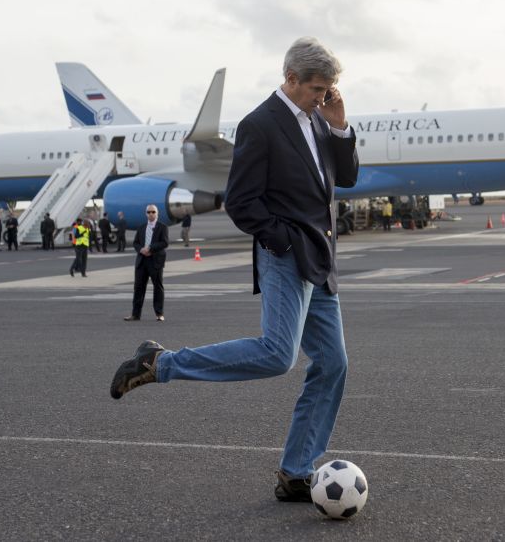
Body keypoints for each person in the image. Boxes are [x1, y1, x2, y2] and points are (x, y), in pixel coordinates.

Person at [109, 37, 359, 504]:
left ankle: (296, 472)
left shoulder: (321, 121)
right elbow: (242, 202)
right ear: (290, 79)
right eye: (318, 89)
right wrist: (281, 240)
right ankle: (159, 364)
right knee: (277, 355)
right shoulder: (260, 125)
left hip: (322, 260)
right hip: (286, 256)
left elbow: (343, 179)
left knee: (333, 363)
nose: (323, 97)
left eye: (329, 90)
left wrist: (340, 127)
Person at [123, 204, 169, 321]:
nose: (151, 214)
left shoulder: (162, 227)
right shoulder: (142, 227)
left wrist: (151, 248)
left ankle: (159, 314)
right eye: (148, 212)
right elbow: (136, 243)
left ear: (157, 213)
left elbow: (165, 243)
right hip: (142, 261)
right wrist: (141, 249)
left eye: (153, 212)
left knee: (157, 287)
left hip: (155, 261)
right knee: (138, 288)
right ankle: (135, 314)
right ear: (145, 214)